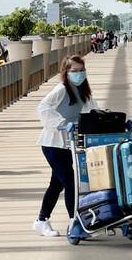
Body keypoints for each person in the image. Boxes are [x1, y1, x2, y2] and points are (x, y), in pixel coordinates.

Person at [33, 55, 98, 238]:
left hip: (68, 144)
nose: (78, 74)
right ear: (66, 73)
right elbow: (43, 107)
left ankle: (41, 221)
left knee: (57, 184)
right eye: (74, 71)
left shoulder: (84, 91)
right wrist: (61, 123)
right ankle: (75, 223)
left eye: (81, 70)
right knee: (70, 182)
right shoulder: (61, 89)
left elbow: (94, 111)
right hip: (53, 143)